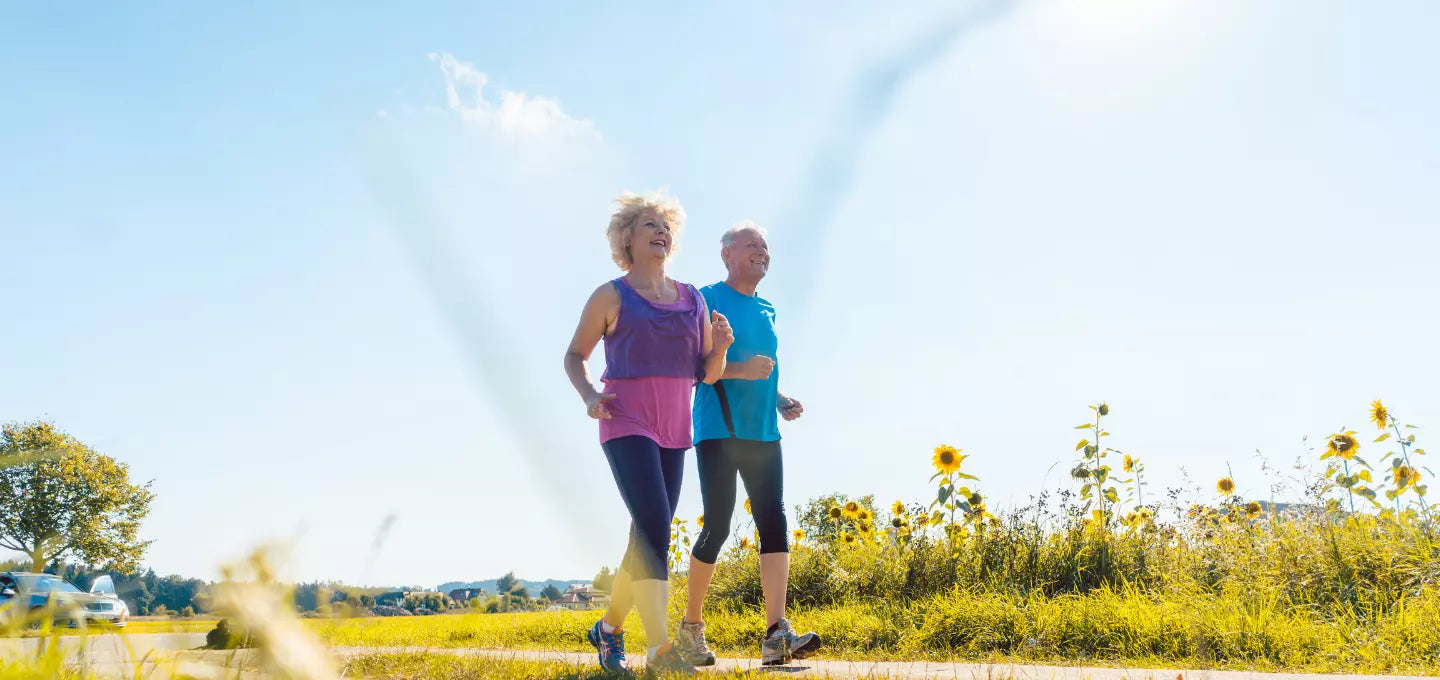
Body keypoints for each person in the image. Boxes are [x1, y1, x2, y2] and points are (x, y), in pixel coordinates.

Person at [563, 191, 732, 674]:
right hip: (625, 419)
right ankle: (660, 649)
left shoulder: (692, 299)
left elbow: (709, 373)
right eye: (649, 226)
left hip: (675, 427)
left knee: (646, 535)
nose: (661, 232)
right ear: (627, 239)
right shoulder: (611, 295)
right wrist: (590, 396)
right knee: (656, 524)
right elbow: (575, 356)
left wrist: (719, 347)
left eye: (666, 227)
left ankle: (608, 629)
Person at [676, 221, 821, 667]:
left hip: (762, 430)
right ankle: (691, 630)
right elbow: (696, 368)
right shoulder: (706, 298)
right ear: (727, 254)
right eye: (752, 244)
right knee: (718, 525)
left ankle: (776, 634)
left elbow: (764, 368)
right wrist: (742, 371)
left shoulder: (768, 308)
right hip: (719, 428)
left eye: (765, 245)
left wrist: (778, 398)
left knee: (773, 523)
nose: (762, 250)